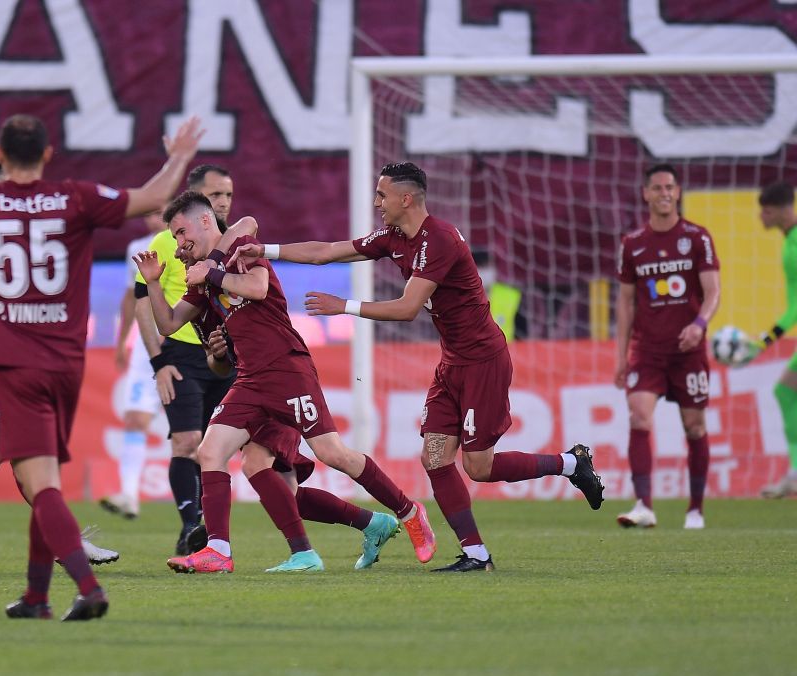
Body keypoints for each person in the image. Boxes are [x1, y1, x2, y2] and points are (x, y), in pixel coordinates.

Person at [238, 161, 605, 571]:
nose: (377, 202)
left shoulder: (441, 240)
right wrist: (264, 250)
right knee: (434, 459)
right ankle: (476, 554)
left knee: (478, 467)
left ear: (405, 198)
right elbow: (328, 251)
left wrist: (346, 308)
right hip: (452, 361)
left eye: (382, 195)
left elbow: (408, 308)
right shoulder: (394, 236)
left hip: (484, 361)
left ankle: (571, 463)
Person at [0, 113, 204, 621]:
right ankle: (36, 591)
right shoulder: (72, 199)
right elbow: (151, 195)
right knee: (34, 469)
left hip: (11, 356)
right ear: (49, 154)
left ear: (2, 156)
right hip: (61, 358)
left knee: (37, 477)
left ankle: (83, 582)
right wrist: (181, 155)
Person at [137, 191, 436, 573]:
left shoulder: (242, 249)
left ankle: (409, 511)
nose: (179, 243)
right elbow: (168, 324)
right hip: (250, 378)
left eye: (181, 232)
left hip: (286, 369)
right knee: (211, 452)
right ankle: (219, 551)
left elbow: (257, 287)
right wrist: (153, 284)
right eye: (175, 236)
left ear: (206, 221)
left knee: (333, 455)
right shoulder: (201, 278)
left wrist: (210, 271)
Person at [132, 165, 239, 556]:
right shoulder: (165, 242)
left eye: (228, 194)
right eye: (215, 194)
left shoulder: (236, 242)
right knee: (187, 440)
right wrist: (158, 361)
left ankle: (210, 530)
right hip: (180, 350)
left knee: (215, 446)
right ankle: (192, 525)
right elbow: (144, 303)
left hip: (223, 352)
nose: (223, 202)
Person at [609, 164, 721, 529]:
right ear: (646, 193)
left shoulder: (697, 238)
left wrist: (700, 324)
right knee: (638, 414)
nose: (664, 193)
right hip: (648, 350)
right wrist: (621, 355)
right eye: (657, 188)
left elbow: (713, 291)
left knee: (695, 427)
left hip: (688, 352)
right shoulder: (633, 245)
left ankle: (696, 510)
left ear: (678, 191)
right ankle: (643, 505)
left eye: (669, 187)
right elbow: (625, 303)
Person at [100, 208, 167, 520]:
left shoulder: (189, 246)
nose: (156, 219)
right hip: (145, 345)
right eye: (152, 213)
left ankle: (203, 508)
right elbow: (131, 297)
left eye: (163, 212)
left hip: (186, 342)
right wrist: (122, 339)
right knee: (134, 419)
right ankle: (129, 494)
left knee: (195, 432)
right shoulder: (136, 249)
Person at [745, 181, 797, 498]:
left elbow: (795, 307)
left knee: (785, 392)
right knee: (785, 392)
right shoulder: (789, 241)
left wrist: (764, 341)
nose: (761, 217)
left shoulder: (793, 248)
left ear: (779, 210)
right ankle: (794, 474)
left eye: (764, 211)